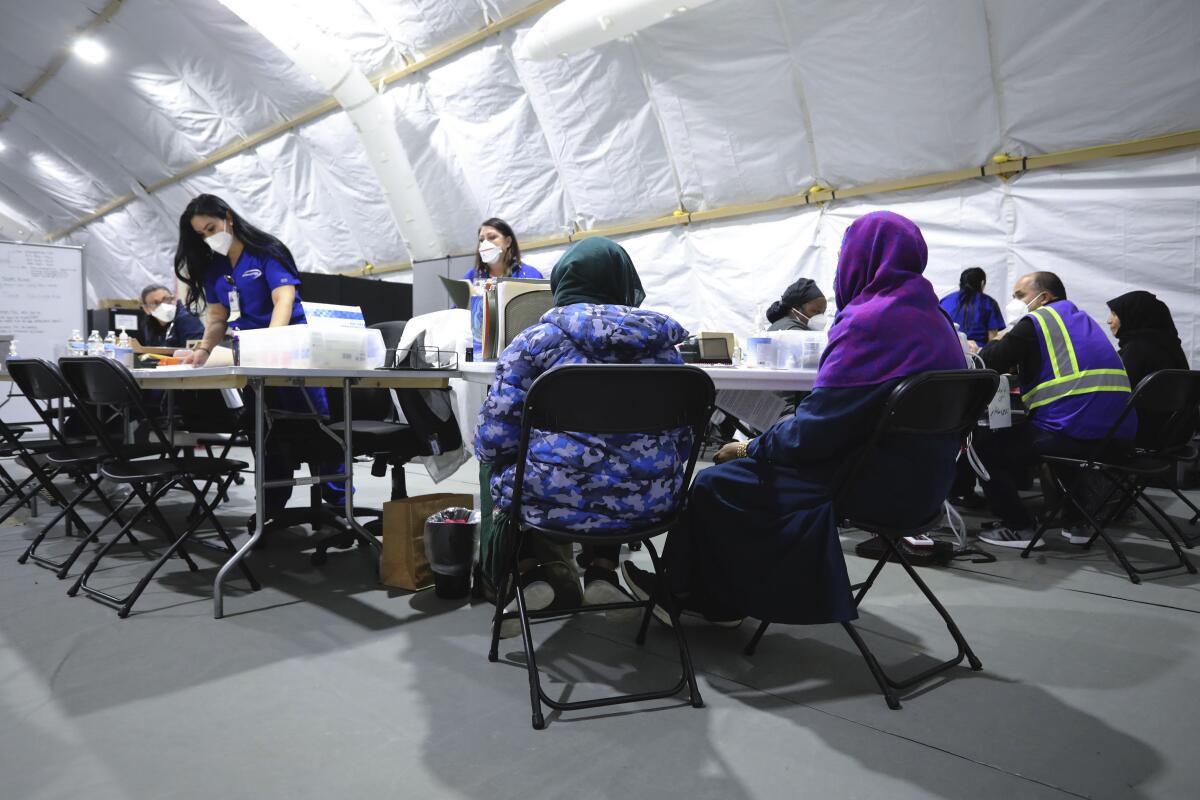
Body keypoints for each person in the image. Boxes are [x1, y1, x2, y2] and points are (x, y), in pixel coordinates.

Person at [622, 211, 966, 626]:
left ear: (861, 257)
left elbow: (813, 435)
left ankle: (687, 595)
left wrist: (750, 445)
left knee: (715, 482)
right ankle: (721, 596)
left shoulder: (870, 322)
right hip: (925, 487)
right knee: (743, 477)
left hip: (864, 484)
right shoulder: (937, 321)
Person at [474, 237, 690, 635]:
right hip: (651, 504)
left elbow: (494, 439)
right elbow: (682, 440)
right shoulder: (664, 350)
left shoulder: (534, 343)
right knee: (617, 460)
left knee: (495, 463)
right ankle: (603, 574)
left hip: (551, 503)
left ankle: (530, 574)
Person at [172, 194, 346, 519]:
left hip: (292, 355)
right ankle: (271, 507)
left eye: (212, 228)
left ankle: (339, 503)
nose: (209, 238)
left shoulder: (266, 252)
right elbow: (217, 318)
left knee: (316, 431)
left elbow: (283, 298)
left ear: (228, 217)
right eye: (201, 234)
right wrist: (202, 351)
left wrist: (272, 342)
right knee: (266, 436)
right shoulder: (215, 270)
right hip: (253, 361)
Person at [974, 272, 1135, 549]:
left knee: (981, 446)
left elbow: (992, 361)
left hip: (1075, 433)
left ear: (1044, 297)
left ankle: (1018, 527)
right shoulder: (1083, 321)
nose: (1015, 302)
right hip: (1116, 438)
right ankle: (1078, 523)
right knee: (1059, 445)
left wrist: (988, 342)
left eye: (1020, 295)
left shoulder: (1038, 320)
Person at [1107, 290, 1193, 447]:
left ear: (1133, 315)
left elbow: (1114, 395)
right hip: (1174, 435)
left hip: (1139, 435)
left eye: (1115, 314)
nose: (1109, 321)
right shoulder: (1171, 347)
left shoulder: (1136, 350)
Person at [462, 218, 542, 357]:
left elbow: (537, 315)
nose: (485, 244)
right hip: (478, 346)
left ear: (508, 242)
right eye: (481, 240)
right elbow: (458, 309)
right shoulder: (472, 275)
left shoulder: (529, 274)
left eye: (492, 237)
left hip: (518, 346)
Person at [939, 267, 1006, 349]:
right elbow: (992, 339)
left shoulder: (945, 301)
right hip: (977, 354)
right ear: (982, 283)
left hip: (949, 350)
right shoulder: (989, 303)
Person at [138, 283, 206, 348]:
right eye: (156, 303)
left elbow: (198, 349)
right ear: (146, 309)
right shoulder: (150, 324)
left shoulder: (187, 319)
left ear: (174, 299)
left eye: (166, 299)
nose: (163, 305)